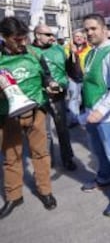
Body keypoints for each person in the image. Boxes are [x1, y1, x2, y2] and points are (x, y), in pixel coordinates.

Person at [0, 17, 57, 219]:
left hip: (36, 111)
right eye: (17, 39)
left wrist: (50, 84)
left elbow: (46, 75)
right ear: (4, 37)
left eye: (25, 38)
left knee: (40, 153)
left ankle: (45, 190)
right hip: (7, 116)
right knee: (11, 158)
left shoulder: (34, 52)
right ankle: (14, 196)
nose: (23, 43)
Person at [80, 13, 110, 217]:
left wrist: (101, 110)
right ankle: (103, 178)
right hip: (93, 113)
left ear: (103, 29)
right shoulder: (92, 52)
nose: (89, 33)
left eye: (93, 28)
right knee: (99, 151)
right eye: (86, 29)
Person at [30, 23, 77, 171]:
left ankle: (67, 158)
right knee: (45, 132)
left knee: (62, 129)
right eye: (48, 34)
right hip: (40, 98)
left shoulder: (59, 49)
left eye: (52, 34)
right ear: (38, 35)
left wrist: (73, 59)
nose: (52, 37)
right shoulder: (29, 52)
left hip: (59, 96)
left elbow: (69, 70)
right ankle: (48, 159)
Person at [64, 29, 91, 128]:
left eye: (81, 36)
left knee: (86, 98)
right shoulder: (67, 49)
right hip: (72, 78)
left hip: (86, 78)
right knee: (73, 98)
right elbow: (65, 63)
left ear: (84, 39)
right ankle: (74, 119)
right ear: (73, 38)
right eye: (76, 36)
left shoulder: (89, 49)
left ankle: (85, 117)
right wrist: (72, 53)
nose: (79, 38)